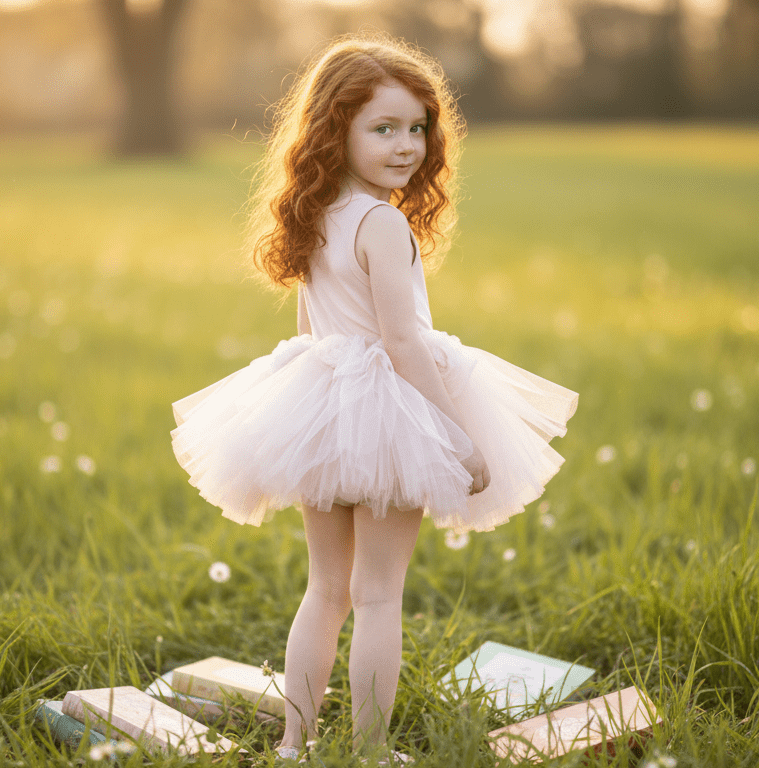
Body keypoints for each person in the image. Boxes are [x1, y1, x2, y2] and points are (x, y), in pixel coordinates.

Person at [171, 33, 578, 765]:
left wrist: (304, 403)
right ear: (337, 129)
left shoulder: (316, 210)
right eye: (382, 128)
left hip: (324, 408)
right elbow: (402, 341)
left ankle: (297, 743)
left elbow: (308, 332)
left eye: (417, 127)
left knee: (325, 589)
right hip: (392, 414)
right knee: (379, 594)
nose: (406, 145)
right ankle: (367, 751)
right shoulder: (382, 222)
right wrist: (457, 434)